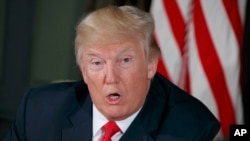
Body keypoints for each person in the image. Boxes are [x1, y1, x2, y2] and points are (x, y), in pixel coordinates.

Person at [4, 5, 220, 141]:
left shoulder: (191, 128)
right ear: (85, 72)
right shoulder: (39, 111)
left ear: (150, 65)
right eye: (97, 63)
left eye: (125, 60)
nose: (111, 77)